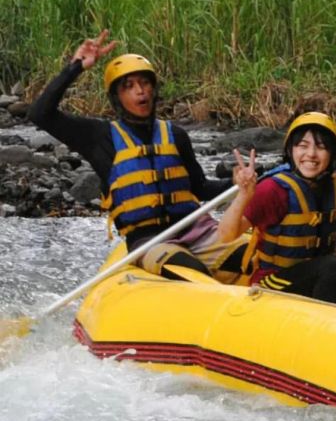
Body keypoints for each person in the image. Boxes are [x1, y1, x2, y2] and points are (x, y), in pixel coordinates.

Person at [27, 30, 249, 283]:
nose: (140, 91)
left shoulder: (175, 135)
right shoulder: (99, 137)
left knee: (255, 257)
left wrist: (236, 183)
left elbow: (199, 188)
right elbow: (40, 114)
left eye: (144, 83)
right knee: (190, 270)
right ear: (117, 97)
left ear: (153, 89)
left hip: (199, 231)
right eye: (129, 86)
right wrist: (76, 66)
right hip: (149, 242)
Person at [216, 112, 336, 300]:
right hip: (272, 283)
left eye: (321, 147)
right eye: (302, 146)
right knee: (329, 265)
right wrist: (243, 195)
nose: (311, 154)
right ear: (290, 151)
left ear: (332, 154)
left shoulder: (335, 183)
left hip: (316, 277)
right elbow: (226, 235)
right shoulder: (273, 189)